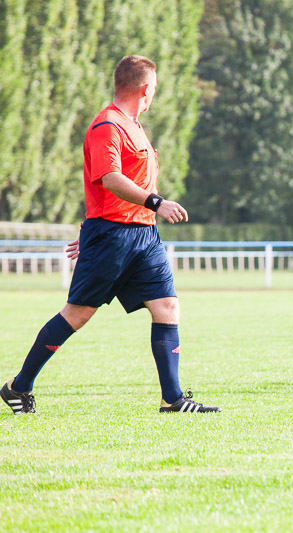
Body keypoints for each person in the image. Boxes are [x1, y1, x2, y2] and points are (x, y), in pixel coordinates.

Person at [1, 55, 219, 414]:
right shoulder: (108, 125)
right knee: (77, 314)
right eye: (154, 89)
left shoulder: (134, 126)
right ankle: (17, 387)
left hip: (144, 236)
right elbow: (110, 179)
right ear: (145, 89)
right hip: (113, 239)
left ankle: (173, 398)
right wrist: (153, 204)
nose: (154, 95)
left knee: (167, 306)